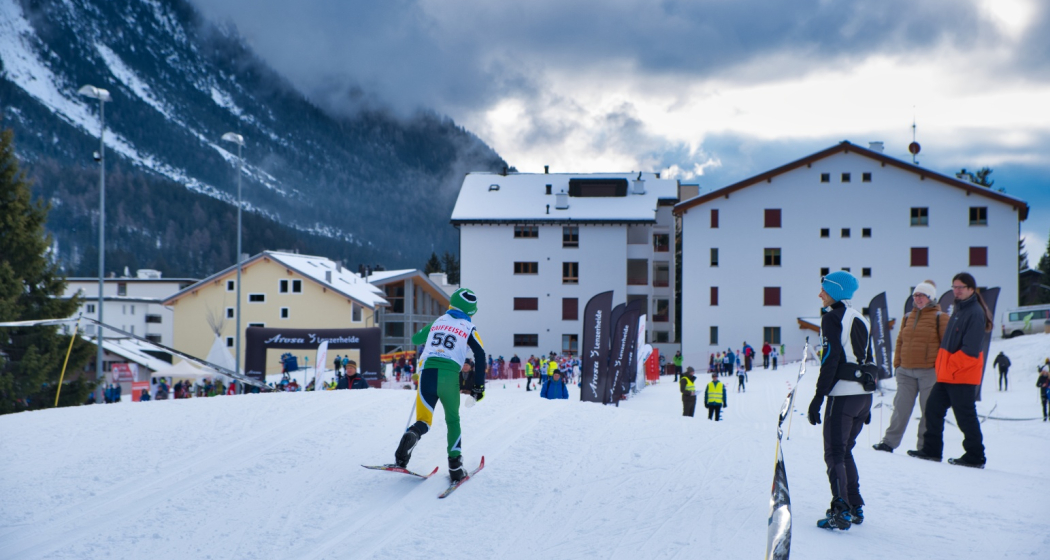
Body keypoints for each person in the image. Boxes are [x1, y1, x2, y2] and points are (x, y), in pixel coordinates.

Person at [394, 288, 486, 482]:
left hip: (427, 374)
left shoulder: (439, 321)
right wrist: (478, 387)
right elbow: (480, 353)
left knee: (423, 421)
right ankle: (455, 466)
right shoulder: (469, 327)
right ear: (472, 310)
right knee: (453, 421)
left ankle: (407, 445)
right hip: (449, 376)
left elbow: (416, 339)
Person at [807, 271, 873, 530]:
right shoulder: (860, 317)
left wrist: (818, 397)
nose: (820, 293)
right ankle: (854, 505)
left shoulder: (832, 318)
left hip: (843, 396)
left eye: (824, 289)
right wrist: (868, 395)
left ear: (834, 291)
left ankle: (841, 509)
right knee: (845, 451)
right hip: (862, 396)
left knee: (834, 452)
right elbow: (869, 358)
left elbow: (830, 359)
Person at [908, 272, 991, 469]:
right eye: (954, 287)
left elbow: (970, 351)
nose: (957, 291)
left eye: (961, 287)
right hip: (948, 375)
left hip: (962, 375)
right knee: (933, 409)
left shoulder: (975, 312)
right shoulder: (959, 309)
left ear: (971, 289)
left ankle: (975, 456)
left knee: (965, 416)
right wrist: (943, 368)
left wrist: (949, 367)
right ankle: (931, 451)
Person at [873, 280, 949, 454]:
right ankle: (888, 443)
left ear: (930, 297)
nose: (918, 298)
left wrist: (939, 369)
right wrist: (897, 365)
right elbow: (900, 340)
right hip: (906, 371)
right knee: (901, 409)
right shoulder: (908, 316)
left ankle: (924, 448)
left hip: (929, 372)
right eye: (915, 295)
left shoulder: (941, 317)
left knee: (928, 411)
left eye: (922, 295)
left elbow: (946, 345)